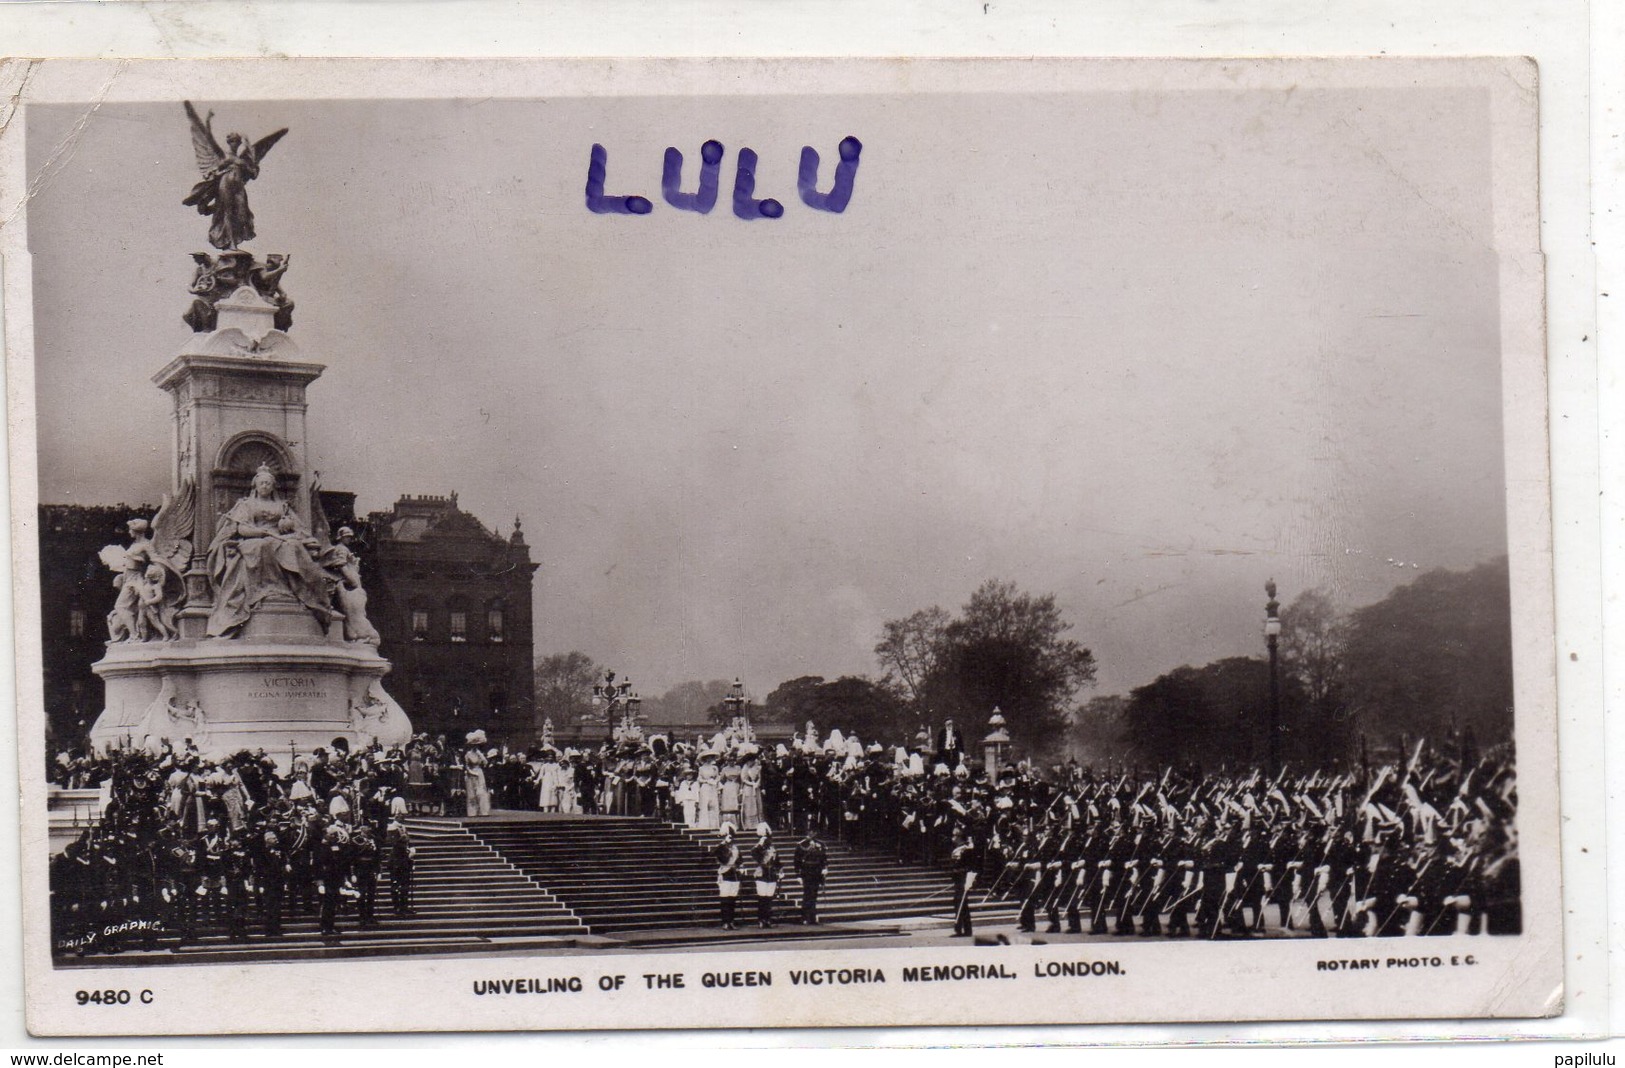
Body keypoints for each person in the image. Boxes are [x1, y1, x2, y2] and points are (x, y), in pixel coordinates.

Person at [793, 827, 828, 925]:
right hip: (806, 871)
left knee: (814, 895)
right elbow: (797, 861)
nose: (812, 833)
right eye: (810, 831)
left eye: (813, 831)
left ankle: (812, 917)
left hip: (816, 872)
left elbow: (824, 858)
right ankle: (805, 917)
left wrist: (825, 868)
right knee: (807, 895)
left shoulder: (821, 844)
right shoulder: (802, 844)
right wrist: (798, 874)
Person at [751, 824, 781, 929]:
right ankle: (761, 920)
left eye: (768, 838)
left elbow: (777, 861)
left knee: (769, 899)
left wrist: (780, 870)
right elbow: (754, 853)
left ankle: (768, 919)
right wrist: (760, 844)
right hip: (762, 874)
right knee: (762, 899)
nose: (768, 840)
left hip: (771, 875)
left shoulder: (773, 849)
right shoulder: (758, 849)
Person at [714, 824, 742, 931]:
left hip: (734, 875)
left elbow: (740, 860)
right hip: (725, 874)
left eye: (732, 836)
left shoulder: (735, 848)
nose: (731, 838)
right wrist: (724, 844)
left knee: (732, 899)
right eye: (729, 836)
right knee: (725, 899)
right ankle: (725, 922)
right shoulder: (721, 847)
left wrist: (740, 866)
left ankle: (731, 921)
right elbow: (720, 857)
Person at [950, 830, 977, 937]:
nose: (953, 838)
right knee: (959, 904)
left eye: (954, 836)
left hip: (963, 880)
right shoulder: (959, 849)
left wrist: (958, 872)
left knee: (961, 904)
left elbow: (968, 866)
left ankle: (963, 929)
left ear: (959, 837)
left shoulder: (965, 850)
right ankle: (962, 929)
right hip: (958, 880)